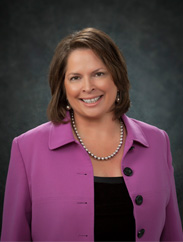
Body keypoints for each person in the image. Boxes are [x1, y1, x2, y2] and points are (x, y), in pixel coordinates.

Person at [1, 27, 183, 242]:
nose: (88, 87)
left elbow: (172, 234)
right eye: (75, 77)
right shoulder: (27, 147)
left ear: (117, 77)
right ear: (63, 88)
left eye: (98, 74)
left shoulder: (157, 141)